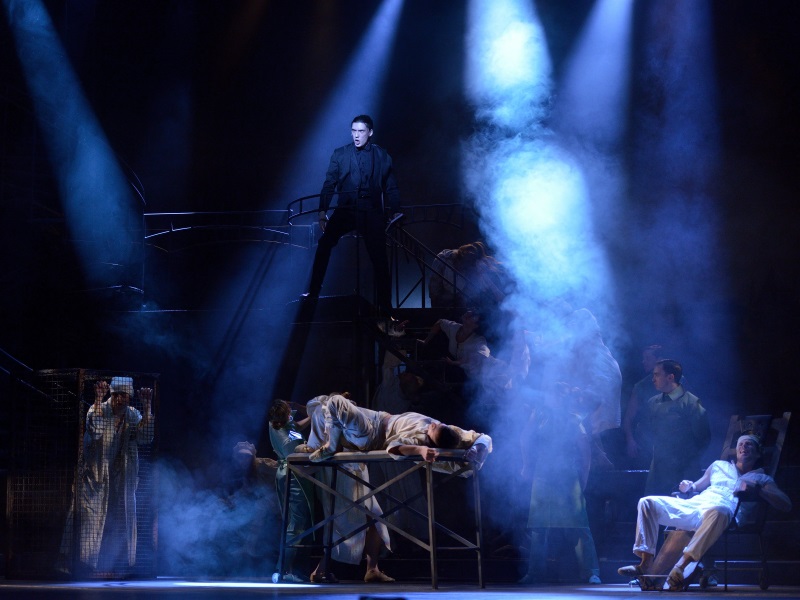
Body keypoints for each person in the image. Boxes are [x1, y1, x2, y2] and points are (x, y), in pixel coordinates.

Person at [618, 434, 792, 591]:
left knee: (720, 511)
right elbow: (697, 486)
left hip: (723, 514)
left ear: (758, 453)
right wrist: (688, 486)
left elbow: (786, 504)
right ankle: (645, 563)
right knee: (647, 502)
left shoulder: (761, 478)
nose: (743, 447)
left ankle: (681, 567)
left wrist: (758, 488)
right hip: (696, 505)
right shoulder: (719, 466)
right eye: (740, 444)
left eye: (749, 444)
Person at [305, 114, 402, 317]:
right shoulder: (340, 154)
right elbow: (329, 184)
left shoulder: (381, 155)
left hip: (371, 211)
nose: (356, 135)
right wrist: (322, 211)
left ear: (370, 132)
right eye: (353, 131)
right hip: (346, 210)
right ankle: (313, 292)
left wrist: (396, 211)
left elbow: (391, 187)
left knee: (379, 258)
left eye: (361, 131)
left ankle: (386, 308)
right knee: (324, 244)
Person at [68, 376, 155, 573]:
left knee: (119, 520)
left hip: (120, 479)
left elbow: (145, 437)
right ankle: (83, 566)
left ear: (129, 397)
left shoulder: (132, 415)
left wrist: (147, 406)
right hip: (95, 478)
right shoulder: (99, 409)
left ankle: (114, 565)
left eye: (124, 395)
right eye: (116, 395)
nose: (119, 399)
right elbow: (95, 430)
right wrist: (98, 399)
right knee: (90, 522)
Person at [518, 383, 602, 585]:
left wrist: (584, 478)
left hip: (567, 477)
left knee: (579, 524)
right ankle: (534, 573)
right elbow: (525, 438)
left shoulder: (574, 419)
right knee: (539, 526)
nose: (551, 398)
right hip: (543, 474)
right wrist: (527, 465)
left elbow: (585, 452)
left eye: (556, 395)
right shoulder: (539, 415)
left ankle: (591, 572)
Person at [642, 359, 710, 496]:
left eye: (657, 375)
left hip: (684, 471)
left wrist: (685, 458)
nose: (653, 379)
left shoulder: (691, 403)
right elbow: (647, 431)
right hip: (658, 470)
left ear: (670, 377)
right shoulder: (653, 402)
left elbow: (703, 437)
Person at [266, 400, 315, 583]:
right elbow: (297, 449)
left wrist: (312, 414)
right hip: (293, 475)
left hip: (293, 474)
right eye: (289, 411)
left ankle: (288, 569)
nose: (291, 414)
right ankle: (284, 569)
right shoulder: (285, 437)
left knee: (296, 521)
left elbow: (297, 425)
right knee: (296, 522)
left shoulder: (285, 424)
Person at [428, 241, 508, 310]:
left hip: (459, 302)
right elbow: (434, 286)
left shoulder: (479, 269)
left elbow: (500, 298)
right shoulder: (444, 259)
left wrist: (484, 278)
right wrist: (436, 308)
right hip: (443, 299)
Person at [622, 344, 663, 468]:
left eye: (647, 358)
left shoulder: (677, 382)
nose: (643, 361)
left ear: (659, 360)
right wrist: (630, 440)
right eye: (643, 358)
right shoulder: (641, 386)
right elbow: (628, 418)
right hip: (646, 443)